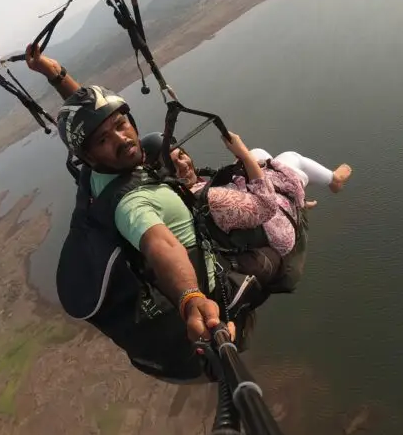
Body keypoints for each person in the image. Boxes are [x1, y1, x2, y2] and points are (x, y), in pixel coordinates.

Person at [24, 45, 279, 381]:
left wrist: (52, 72)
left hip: (168, 278)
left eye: (121, 124)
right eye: (104, 140)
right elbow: (161, 246)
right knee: (274, 257)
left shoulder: (94, 174)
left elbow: (88, 112)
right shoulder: (132, 204)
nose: (122, 139)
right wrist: (190, 298)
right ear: (88, 155)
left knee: (154, 142)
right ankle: (237, 320)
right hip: (207, 300)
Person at [140, 133, 352, 258]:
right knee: (290, 158)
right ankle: (332, 180)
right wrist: (241, 152)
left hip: (254, 222)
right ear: (162, 174)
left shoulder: (182, 194)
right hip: (276, 229)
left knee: (259, 154)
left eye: (182, 156)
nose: (183, 164)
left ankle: (304, 193)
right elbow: (266, 205)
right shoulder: (205, 199)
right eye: (172, 164)